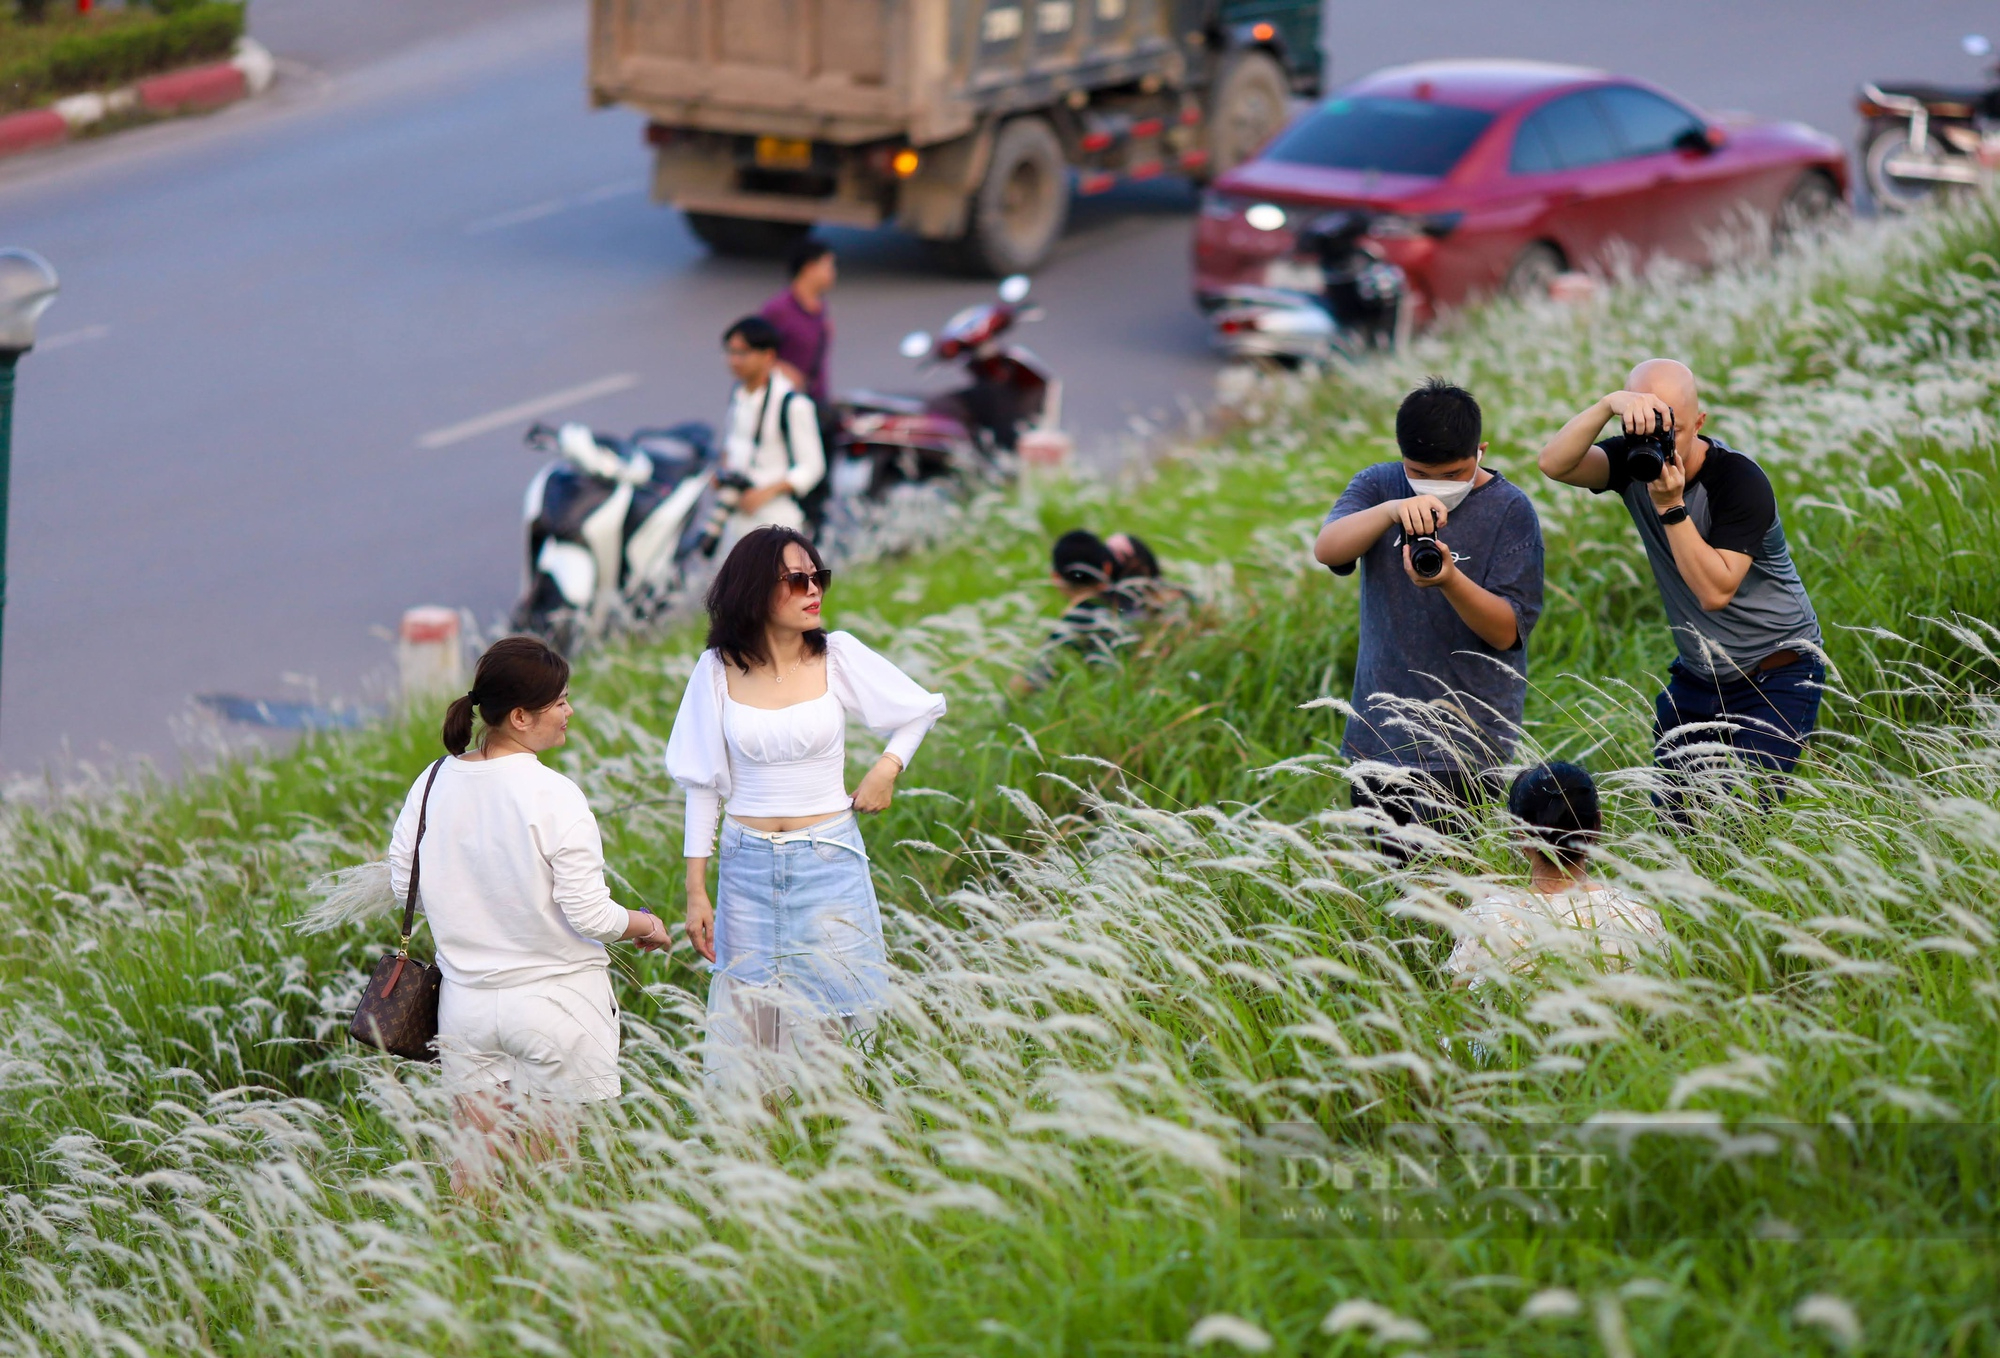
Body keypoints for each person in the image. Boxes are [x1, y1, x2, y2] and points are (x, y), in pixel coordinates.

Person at [665, 526, 946, 1087]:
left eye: (819, 576)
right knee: (753, 1029)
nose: (813, 589)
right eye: (796, 580)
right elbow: (702, 783)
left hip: (828, 861)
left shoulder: (836, 654)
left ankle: (833, 1136)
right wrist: (697, 889)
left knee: (833, 1020)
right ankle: (764, 1148)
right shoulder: (716, 670)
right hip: (746, 869)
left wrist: (886, 768)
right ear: (755, 591)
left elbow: (920, 709)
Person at [387, 636, 669, 1192]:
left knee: (476, 1179)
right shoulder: (554, 794)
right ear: (520, 716)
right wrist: (646, 924)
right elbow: (589, 915)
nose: (570, 712)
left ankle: (472, 1271)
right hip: (554, 1005)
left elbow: (405, 887)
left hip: (466, 1008)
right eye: (559, 702)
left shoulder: (434, 781)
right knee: (549, 1183)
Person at [1536, 360, 1823, 819]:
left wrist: (1670, 506)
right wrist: (1609, 405)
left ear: (1701, 423)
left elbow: (1715, 592)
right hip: (1699, 675)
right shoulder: (1634, 461)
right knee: (1678, 828)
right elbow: (1554, 463)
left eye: (1675, 429)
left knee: (1741, 822)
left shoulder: (1738, 481)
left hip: (1777, 672)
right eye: (1645, 429)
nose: (1662, 446)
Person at [1313, 377, 1545, 838]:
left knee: (1453, 887)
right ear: (1401, 456)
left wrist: (1450, 581)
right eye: (1420, 472)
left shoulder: (1509, 510)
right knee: (1396, 889)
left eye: (1454, 474)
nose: (1436, 487)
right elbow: (1328, 550)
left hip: (1467, 741)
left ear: (1480, 451)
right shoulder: (1380, 485)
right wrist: (1391, 510)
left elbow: (1505, 631)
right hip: (1380, 733)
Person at [1443, 763, 1665, 988]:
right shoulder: (1637, 915)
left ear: (1520, 835)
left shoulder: (1490, 919)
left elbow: (1465, 1015)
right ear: (1596, 826)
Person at [719, 315, 827, 549]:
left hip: (777, 519)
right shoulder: (739, 395)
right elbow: (733, 445)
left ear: (768, 356)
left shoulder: (792, 404)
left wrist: (765, 493)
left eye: (742, 353)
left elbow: (812, 466)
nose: (734, 361)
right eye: (730, 352)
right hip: (738, 516)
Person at [1016, 529, 1145, 692]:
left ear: (1055, 577)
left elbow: (1027, 684)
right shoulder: (1136, 603)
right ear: (1107, 568)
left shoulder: (1074, 622)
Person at [760, 238, 836, 410]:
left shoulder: (820, 308)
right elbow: (755, 351)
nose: (833, 273)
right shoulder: (778, 310)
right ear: (809, 268)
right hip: (784, 403)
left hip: (815, 400)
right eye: (828, 266)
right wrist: (783, 370)